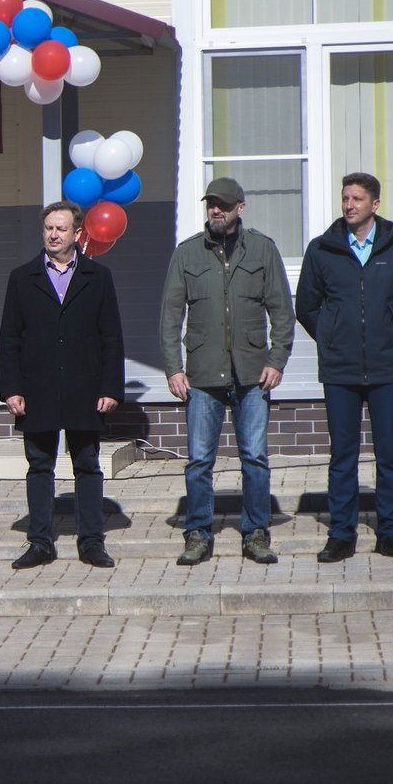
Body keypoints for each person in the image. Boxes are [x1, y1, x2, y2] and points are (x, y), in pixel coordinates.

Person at [158, 177, 294, 566]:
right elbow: (170, 316)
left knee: (254, 457)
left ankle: (255, 532)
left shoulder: (263, 250)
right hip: (202, 375)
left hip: (253, 373)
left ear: (241, 208)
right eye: (211, 204)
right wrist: (173, 368)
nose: (215, 210)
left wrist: (276, 360)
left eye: (223, 204)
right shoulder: (187, 254)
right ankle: (198, 533)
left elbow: (282, 311)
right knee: (200, 459)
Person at [295, 174, 393, 563]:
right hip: (340, 369)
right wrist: (332, 336)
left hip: (387, 367)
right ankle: (341, 533)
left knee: (389, 454)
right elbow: (307, 305)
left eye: (357, 198)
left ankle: (391, 532)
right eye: (345, 198)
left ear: (375, 204)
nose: (349, 205)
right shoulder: (322, 249)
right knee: (344, 456)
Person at [0, 201, 125, 571]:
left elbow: (111, 338)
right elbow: (10, 338)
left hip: (84, 388)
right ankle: (40, 541)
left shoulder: (97, 277)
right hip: (37, 388)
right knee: (39, 466)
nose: (53, 235)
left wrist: (110, 388)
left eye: (61, 229)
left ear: (77, 234)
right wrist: (12, 388)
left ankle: (91, 541)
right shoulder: (22, 278)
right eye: (48, 229)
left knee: (87, 464)